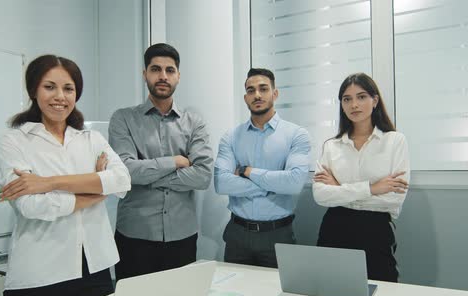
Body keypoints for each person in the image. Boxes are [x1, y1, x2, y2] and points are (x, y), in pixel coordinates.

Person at [0, 55, 131, 296]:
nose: (60, 96)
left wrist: (47, 183)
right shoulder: (15, 140)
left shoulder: (90, 138)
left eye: (68, 89)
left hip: (95, 268)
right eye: (49, 87)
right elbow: (31, 206)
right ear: (34, 90)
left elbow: (121, 179)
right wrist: (93, 190)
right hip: (40, 273)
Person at [108, 43, 213, 279]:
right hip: (134, 237)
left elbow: (203, 175)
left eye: (170, 70)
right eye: (155, 69)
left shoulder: (193, 122)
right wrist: (175, 161)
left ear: (178, 76)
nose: (163, 76)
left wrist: (148, 176)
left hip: (182, 238)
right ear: (145, 74)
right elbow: (125, 171)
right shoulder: (123, 118)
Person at [312, 72, 410, 282]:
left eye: (361, 96)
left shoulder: (395, 141)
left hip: (376, 231)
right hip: (334, 228)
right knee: (330, 293)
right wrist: (373, 188)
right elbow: (320, 196)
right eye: (347, 99)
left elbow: (393, 198)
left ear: (375, 100)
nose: (354, 104)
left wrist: (339, 188)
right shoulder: (331, 146)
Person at [214, 68, 311, 268]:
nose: (257, 95)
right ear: (245, 97)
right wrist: (275, 185)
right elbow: (221, 183)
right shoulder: (231, 137)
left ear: (275, 93)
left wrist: (248, 172)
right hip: (237, 235)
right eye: (251, 90)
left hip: (278, 235)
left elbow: (294, 184)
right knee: (235, 295)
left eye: (263, 89)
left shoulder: (296, 135)